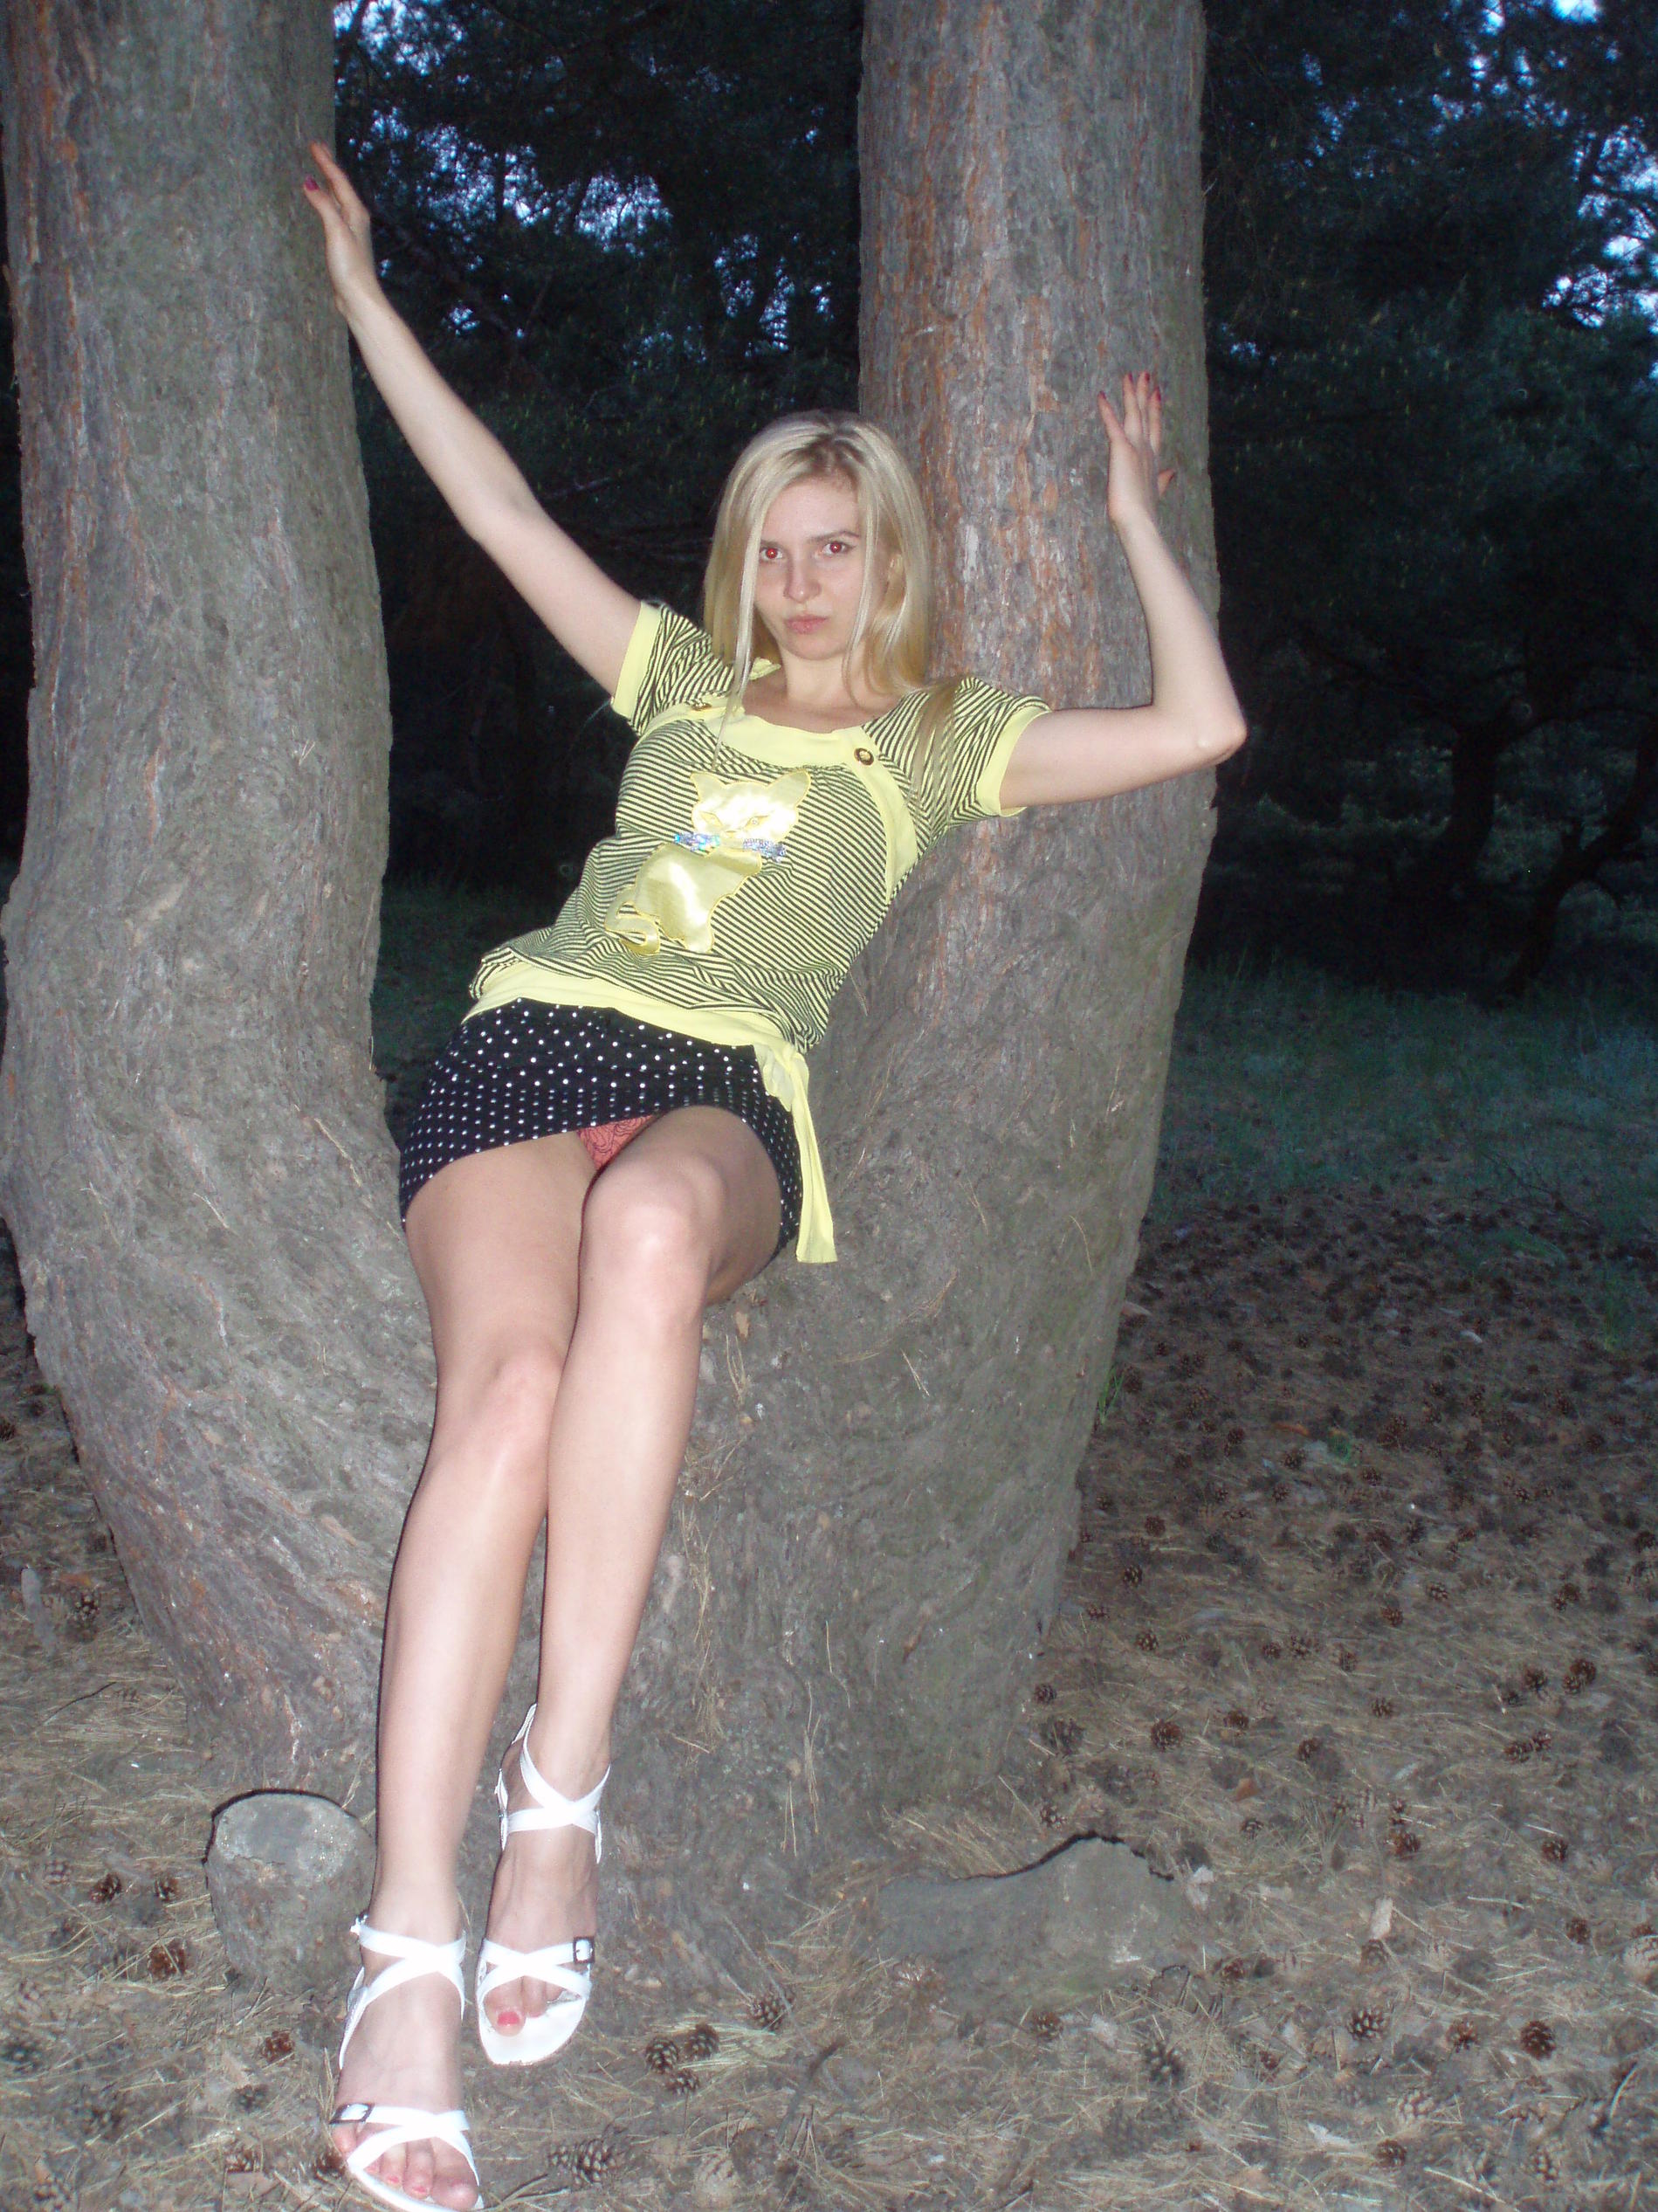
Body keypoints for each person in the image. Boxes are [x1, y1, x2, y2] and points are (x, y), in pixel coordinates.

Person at [302, 140, 1246, 2212]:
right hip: (532, 1040)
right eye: (776, 549)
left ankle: (560, 1792)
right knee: (508, 1398)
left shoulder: (934, 743)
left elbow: (1198, 727)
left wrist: (1128, 518)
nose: (802, 584)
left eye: (837, 549)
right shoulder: (673, 681)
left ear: (887, 565)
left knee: (652, 1231)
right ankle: (404, 1943)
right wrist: (367, 303)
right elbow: (496, 510)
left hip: (720, 1089)